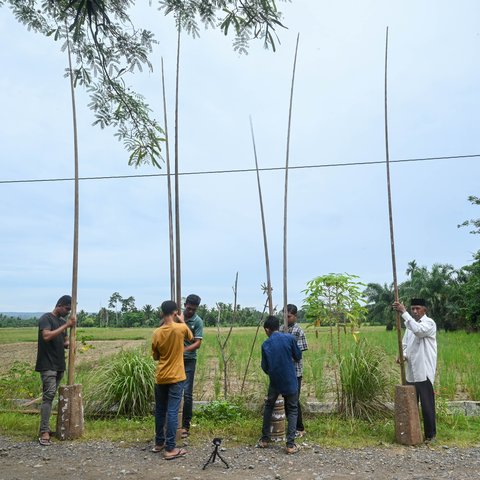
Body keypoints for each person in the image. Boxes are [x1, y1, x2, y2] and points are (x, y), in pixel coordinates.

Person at [151, 300, 193, 460]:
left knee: (160, 410)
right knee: (173, 411)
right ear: (175, 312)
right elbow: (190, 337)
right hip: (176, 376)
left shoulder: (156, 332)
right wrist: (181, 320)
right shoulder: (181, 328)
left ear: (162, 313)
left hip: (161, 376)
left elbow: (155, 356)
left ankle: (159, 443)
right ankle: (170, 448)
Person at [393, 298, 437, 443]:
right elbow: (406, 346)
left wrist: (404, 313)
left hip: (423, 372)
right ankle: (412, 433)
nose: (415, 311)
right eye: (413, 309)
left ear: (425, 309)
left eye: (418, 308)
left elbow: (419, 332)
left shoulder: (429, 323)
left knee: (427, 405)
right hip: (411, 372)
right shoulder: (409, 326)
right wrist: (403, 356)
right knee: (411, 404)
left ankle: (430, 436)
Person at [35, 295, 76, 446]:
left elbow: (64, 341)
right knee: (49, 396)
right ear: (59, 305)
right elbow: (46, 336)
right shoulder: (46, 318)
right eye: (66, 308)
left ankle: (50, 428)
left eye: (69, 309)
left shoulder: (62, 322)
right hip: (47, 365)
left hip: (59, 365)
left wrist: (69, 344)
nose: (67, 312)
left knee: (52, 397)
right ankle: (44, 432)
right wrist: (67, 326)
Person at [258, 315, 302, 454]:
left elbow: (264, 367)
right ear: (278, 327)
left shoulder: (265, 344)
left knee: (269, 406)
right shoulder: (289, 338)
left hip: (275, 381)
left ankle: (265, 439)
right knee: (293, 409)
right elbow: (298, 356)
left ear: (267, 330)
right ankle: (290, 445)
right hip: (290, 379)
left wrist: (273, 372)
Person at [281, 304, 308, 437]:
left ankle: (300, 428)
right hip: (283, 372)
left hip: (295, 372)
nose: (286, 318)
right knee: (286, 399)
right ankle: (290, 426)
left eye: (289, 316)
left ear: (295, 317)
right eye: (284, 316)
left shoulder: (298, 331)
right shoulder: (280, 330)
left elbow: (299, 354)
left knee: (294, 400)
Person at [180, 293, 204, 438]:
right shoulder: (177, 317)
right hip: (174, 361)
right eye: (189, 309)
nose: (190, 312)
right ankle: (173, 423)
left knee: (187, 394)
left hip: (189, 360)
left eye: (193, 310)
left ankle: (185, 425)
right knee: (173, 392)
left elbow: (198, 342)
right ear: (185, 305)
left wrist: (184, 349)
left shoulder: (198, 321)